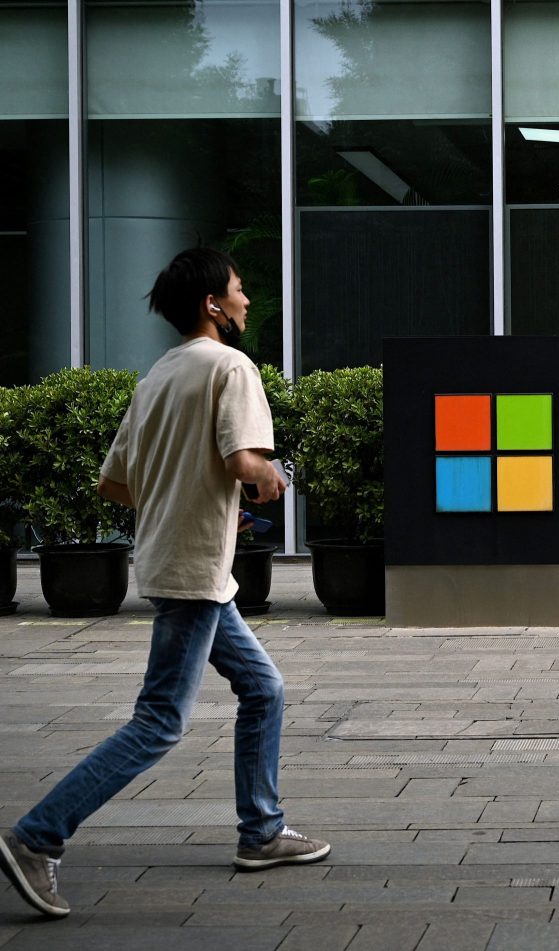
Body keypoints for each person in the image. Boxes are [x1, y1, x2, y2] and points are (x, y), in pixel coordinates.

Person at [0, 248, 329, 919]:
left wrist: (191, 496)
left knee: (263, 688)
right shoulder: (231, 367)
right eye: (238, 289)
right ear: (212, 304)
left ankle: (262, 830)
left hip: (171, 558)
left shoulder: (158, 376)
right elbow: (243, 460)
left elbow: (113, 483)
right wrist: (269, 478)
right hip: (193, 568)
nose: (245, 299)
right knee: (158, 722)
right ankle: (37, 837)